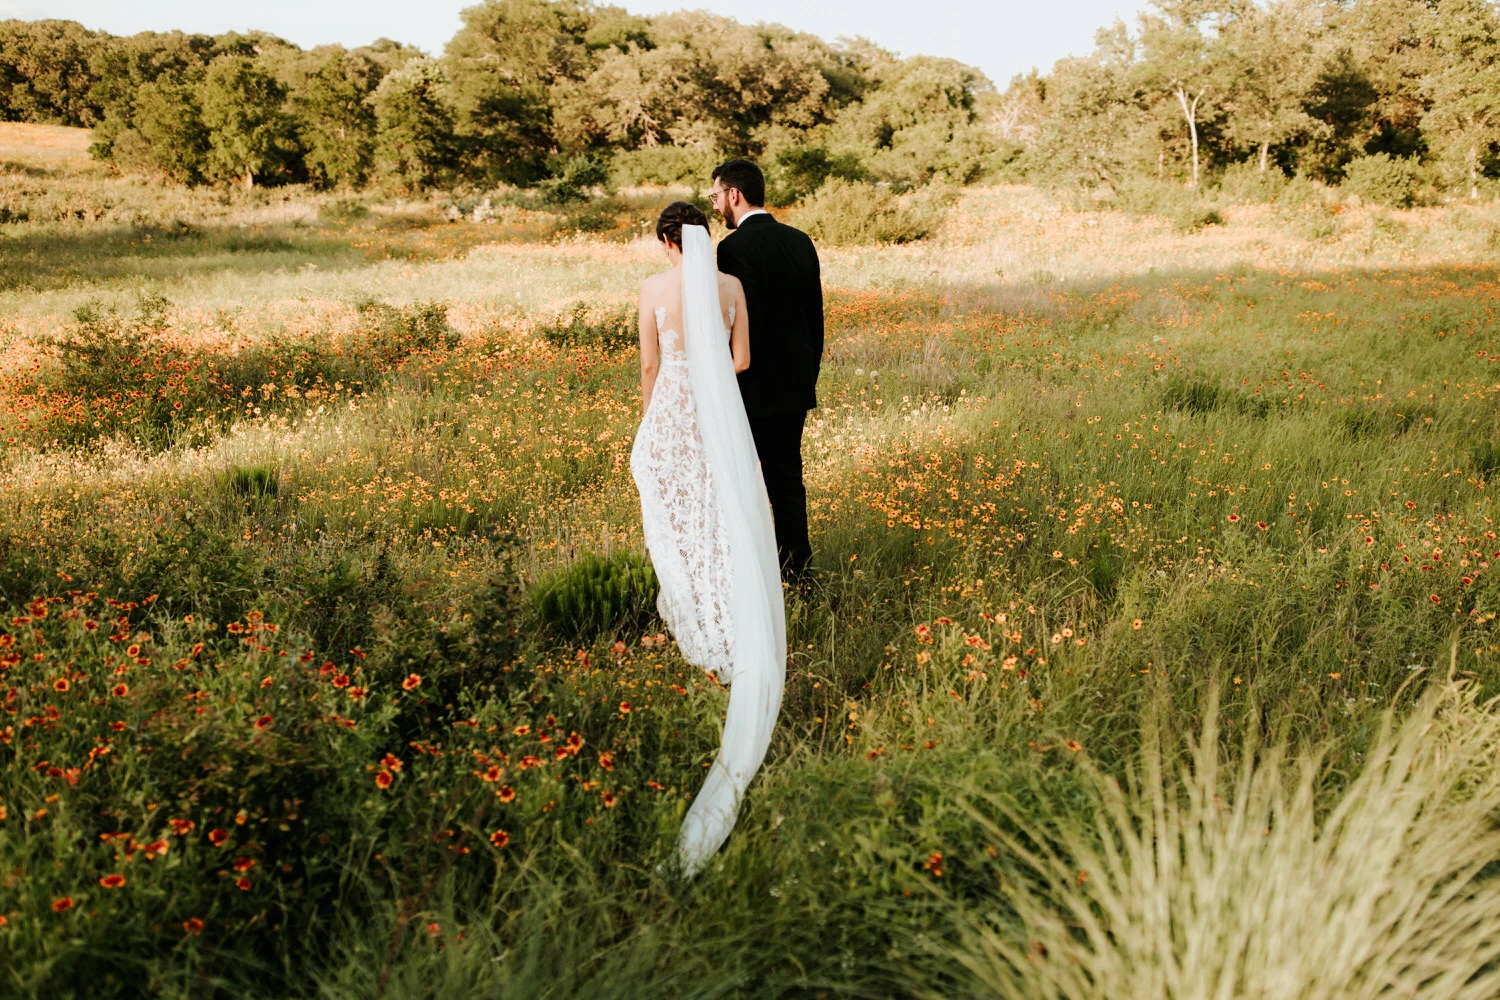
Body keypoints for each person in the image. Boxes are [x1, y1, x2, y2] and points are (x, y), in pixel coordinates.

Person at [629, 201, 786, 877]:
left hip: (670, 414)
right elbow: (742, 358)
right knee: (720, 518)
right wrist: (712, 377)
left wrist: (651, 421)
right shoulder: (732, 288)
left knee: (673, 515)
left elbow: (649, 368)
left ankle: (692, 611)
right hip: (719, 417)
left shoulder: (652, 289)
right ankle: (725, 615)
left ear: (668, 241)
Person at [710, 158, 824, 580]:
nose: (715, 205)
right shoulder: (800, 241)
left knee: (745, 482)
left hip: (751, 385)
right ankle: (797, 571)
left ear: (734, 194)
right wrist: (806, 374)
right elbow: (815, 318)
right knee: (788, 481)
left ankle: (753, 574)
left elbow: (741, 323)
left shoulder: (733, 248)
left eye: (716, 196)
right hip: (795, 383)